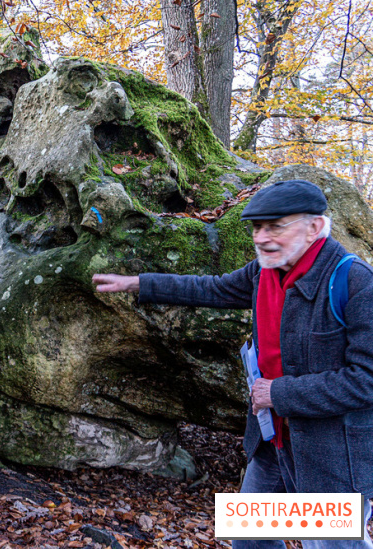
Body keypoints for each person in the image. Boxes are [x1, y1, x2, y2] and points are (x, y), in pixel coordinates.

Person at [92, 179, 373, 548]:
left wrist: (278, 392)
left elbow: (365, 380)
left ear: (315, 228)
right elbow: (211, 289)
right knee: (246, 535)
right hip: (274, 442)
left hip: (333, 457)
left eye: (276, 226)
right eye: (257, 227)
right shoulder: (264, 272)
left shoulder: (354, 281)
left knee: (331, 546)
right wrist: (139, 283)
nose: (261, 237)